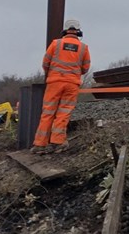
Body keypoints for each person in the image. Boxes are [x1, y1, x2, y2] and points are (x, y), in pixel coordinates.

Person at [31, 18, 91, 155]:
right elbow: (85, 68)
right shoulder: (83, 48)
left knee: (47, 112)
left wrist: (53, 73)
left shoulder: (56, 44)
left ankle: (40, 144)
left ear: (65, 30)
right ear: (78, 31)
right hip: (72, 85)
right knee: (63, 113)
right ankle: (57, 142)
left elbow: (45, 63)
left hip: (54, 83)